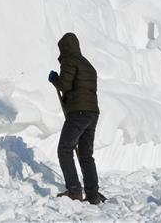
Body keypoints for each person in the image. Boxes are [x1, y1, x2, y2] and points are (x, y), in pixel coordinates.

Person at [48, 32, 103, 205]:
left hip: (78, 112)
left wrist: (55, 79)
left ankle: (74, 190)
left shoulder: (69, 60)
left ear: (65, 48)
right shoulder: (88, 65)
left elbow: (65, 85)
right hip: (92, 113)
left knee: (64, 149)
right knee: (86, 155)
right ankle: (93, 194)